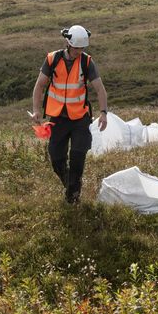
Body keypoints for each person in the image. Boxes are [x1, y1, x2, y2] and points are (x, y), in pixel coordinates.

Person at [31, 25, 108, 204]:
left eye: (82, 48)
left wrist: (103, 113)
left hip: (80, 118)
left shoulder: (87, 62)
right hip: (58, 118)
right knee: (56, 158)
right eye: (76, 48)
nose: (78, 52)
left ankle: (73, 196)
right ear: (68, 44)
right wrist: (36, 110)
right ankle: (71, 185)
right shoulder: (52, 59)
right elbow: (40, 85)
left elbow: (100, 89)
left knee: (77, 157)